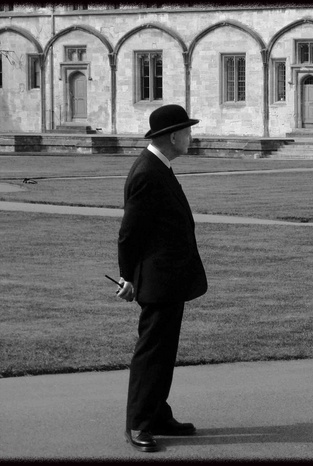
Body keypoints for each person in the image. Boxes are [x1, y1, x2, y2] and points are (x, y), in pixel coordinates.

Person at [116, 104, 208, 453]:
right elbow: (129, 233)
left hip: (169, 278)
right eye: (187, 131)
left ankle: (156, 414)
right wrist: (127, 276)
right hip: (157, 281)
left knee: (164, 352)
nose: (190, 137)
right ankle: (138, 423)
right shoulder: (147, 172)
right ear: (172, 136)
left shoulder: (159, 167)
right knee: (152, 353)